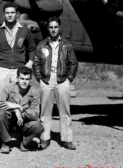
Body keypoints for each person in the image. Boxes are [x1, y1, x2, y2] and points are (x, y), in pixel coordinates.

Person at [0, 2, 36, 147]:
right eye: (7, 13)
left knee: (19, 103)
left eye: (12, 12)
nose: (10, 15)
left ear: (17, 14)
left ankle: (19, 136)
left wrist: (30, 63)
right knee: (0, 104)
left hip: (18, 71)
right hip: (2, 70)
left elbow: (32, 48)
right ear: (3, 15)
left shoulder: (24, 31)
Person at [33, 16, 78, 150]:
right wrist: (40, 78)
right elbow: (36, 63)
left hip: (62, 80)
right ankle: (44, 138)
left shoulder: (67, 45)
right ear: (48, 28)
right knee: (45, 112)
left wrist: (69, 79)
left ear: (59, 28)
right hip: (46, 80)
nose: (53, 30)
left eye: (55, 27)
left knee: (64, 111)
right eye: (51, 27)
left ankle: (67, 139)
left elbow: (73, 63)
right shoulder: (41, 44)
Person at [0, 66, 44, 154]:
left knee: (39, 126)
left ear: (30, 79)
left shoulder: (34, 92)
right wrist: (15, 110)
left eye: (27, 79)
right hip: (8, 122)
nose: (24, 81)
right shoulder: (8, 88)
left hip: (23, 124)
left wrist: (20, 108)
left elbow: (35, 116)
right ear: (17, 78)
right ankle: (6, 142)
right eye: (22, 78)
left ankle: (24, 142)